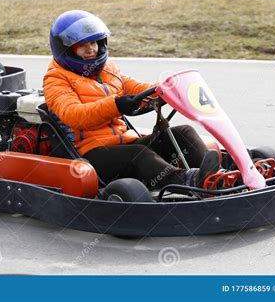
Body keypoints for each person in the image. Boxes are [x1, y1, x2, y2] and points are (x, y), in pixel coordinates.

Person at [43, 10, 219, 189]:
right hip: (90, 153)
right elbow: (74, 115)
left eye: (93, 42)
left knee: (183, 133)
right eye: (82, 45)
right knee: (139, 153)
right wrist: (116, 105)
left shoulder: (107, 69)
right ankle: (190, 181)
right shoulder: (56, 79)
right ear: (66, 49)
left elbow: (137, 89)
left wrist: (168, 89)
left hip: (125, 142)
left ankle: (218, 177)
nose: (91, 49)